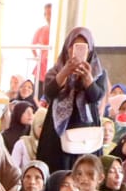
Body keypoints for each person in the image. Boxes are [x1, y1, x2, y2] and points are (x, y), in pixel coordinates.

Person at [40, 26, 108, 172]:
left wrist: (88, 79)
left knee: (85, 169)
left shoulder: (99, 73)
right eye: (74, 46)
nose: (77, 51)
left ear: (90, 50)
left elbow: (96, 97)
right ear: (67, 48)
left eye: (84, 47)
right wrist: (65, 72)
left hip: (86, 127)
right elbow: (49, 93)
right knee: (59, 169)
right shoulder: (56, 70)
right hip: (58, 128)